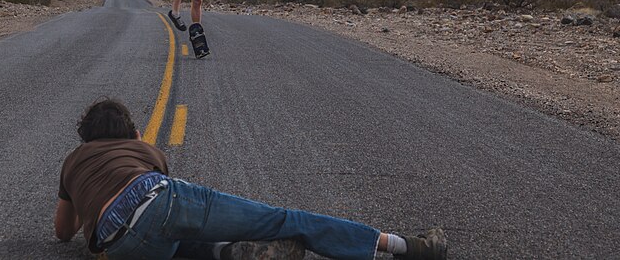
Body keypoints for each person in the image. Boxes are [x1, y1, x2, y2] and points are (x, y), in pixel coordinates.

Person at [55, 98, 448, 260]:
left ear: (86, 139)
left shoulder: (73, 162)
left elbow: (62, 231)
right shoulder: (144, 150)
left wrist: (81, 203)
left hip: (115, 243)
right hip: (152, 197)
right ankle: (407, 246)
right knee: (282, 219)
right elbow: (159, 206)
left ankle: (231, 252)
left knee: (170, 241)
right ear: (133, 134)